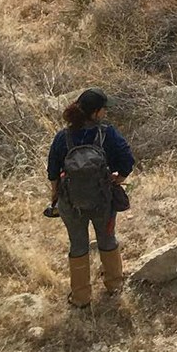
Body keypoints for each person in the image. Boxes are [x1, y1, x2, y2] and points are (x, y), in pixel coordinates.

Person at [46, 88, 135, 308]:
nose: (105, 113)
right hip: (102, 200)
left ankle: (81, 297)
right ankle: (114, 286)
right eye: (104, 109)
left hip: (71, 202)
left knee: (78, 246)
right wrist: (118, 179)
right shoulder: (107, 133)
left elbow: (52, 172)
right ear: (95, 113)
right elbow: (127, 159)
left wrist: (56, 195)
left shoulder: (62, 137)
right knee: (107, 240)